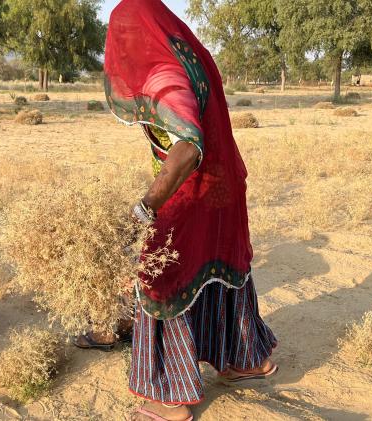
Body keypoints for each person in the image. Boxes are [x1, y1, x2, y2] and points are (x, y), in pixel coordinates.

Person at [104, 1, 278, 420]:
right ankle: (246, 358)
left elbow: (186, 147)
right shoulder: (190, 58)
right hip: (221, 189)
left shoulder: (166, 73)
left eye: (123, 35)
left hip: (191, 192)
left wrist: (145, 208)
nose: (120, 46)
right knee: (219, 264)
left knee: (162, 275)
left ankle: (172, 399)